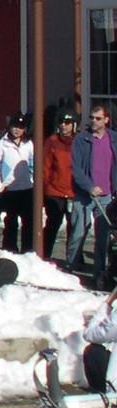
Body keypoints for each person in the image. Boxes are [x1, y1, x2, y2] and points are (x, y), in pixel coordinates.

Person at [71, 105, 116, 284]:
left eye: (98, 118)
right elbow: (76, 169)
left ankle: (99, 273)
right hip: (85, 195)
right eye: (92, 118)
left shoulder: (113, 138)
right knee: (78, 234)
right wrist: (89, 186)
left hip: (106, 195)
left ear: (106, 119)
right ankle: (71, 268)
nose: (94, 121)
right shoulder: (82, 139)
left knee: (103, 238)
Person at [0, 113, 34, 254]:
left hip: (27, 188)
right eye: (15, 127)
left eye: (20, 127)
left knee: (28, 221)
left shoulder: (29, 144)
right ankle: (10, 248)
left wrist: (33, 180)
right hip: (10, 189)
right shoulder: (2, 145)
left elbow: (33, 163)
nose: (17, 130)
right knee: (11, 221)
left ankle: (28, 249)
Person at [43, 112, 77, 267]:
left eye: (67, 122)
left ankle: (73, 258)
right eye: (61, 122)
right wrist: (46, 187)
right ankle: (44, 255)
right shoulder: (52, 141)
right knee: (53, 224)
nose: (64, 125)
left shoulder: (79, 141)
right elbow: (45, 166)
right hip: (55, 191)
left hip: (74, 192)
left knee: (74, 227)